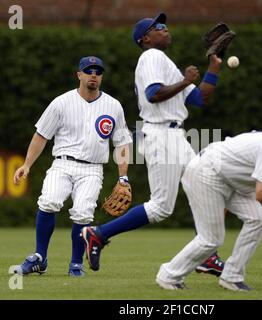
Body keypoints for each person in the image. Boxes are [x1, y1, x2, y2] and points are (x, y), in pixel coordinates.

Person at [81, 12, 224, 276]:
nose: (166, 29)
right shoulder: (150, 57)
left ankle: (207, 256)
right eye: (159, 27)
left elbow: (200, 99)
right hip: (160, 135)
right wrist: (186, 80)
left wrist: (213, 66)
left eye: (166, 25)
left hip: (176, 136)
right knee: (161, 207)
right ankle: (98, 233)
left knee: (202, 185)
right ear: (145, 38)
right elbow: (154, 94)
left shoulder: (163, 60)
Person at [155, 128, 262, 290]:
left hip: (224, 179)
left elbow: (244, 175)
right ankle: (169, 276)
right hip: (206, 173)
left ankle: (231, 276)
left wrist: (224, 207)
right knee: (211, 239)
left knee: (258, 219)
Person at [13, 56, 133, 277]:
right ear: (79, 74)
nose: (94, 74)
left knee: (83, 212)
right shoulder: (61, 102)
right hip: (62, 164)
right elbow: (41, 135)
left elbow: (122, 143)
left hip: (92, 169)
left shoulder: (113, 106)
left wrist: (123, 177)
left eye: (98, 71)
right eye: (89, 70)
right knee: (49, 201)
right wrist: (27, 164)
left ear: (101, 76)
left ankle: (76, 263)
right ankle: (40, 257)